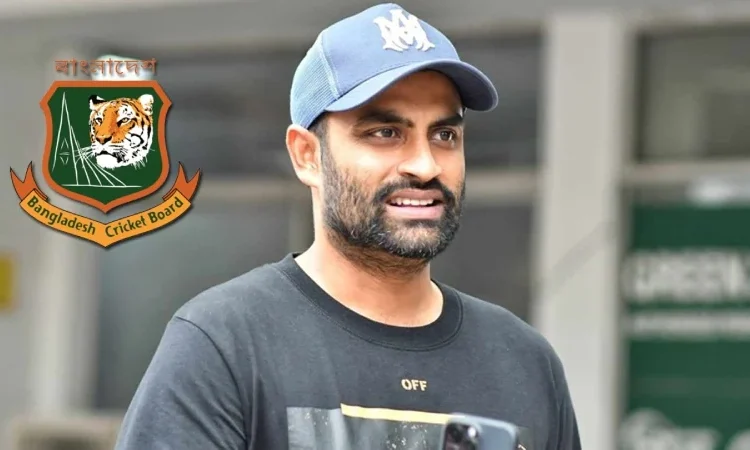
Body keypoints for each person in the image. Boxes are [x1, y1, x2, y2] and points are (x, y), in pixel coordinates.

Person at [115, 3, 582, 450]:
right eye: (385, 133)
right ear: (307, 156)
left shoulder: (524, 362)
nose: (425, 165)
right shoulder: (225, 343)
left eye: (444, 135)